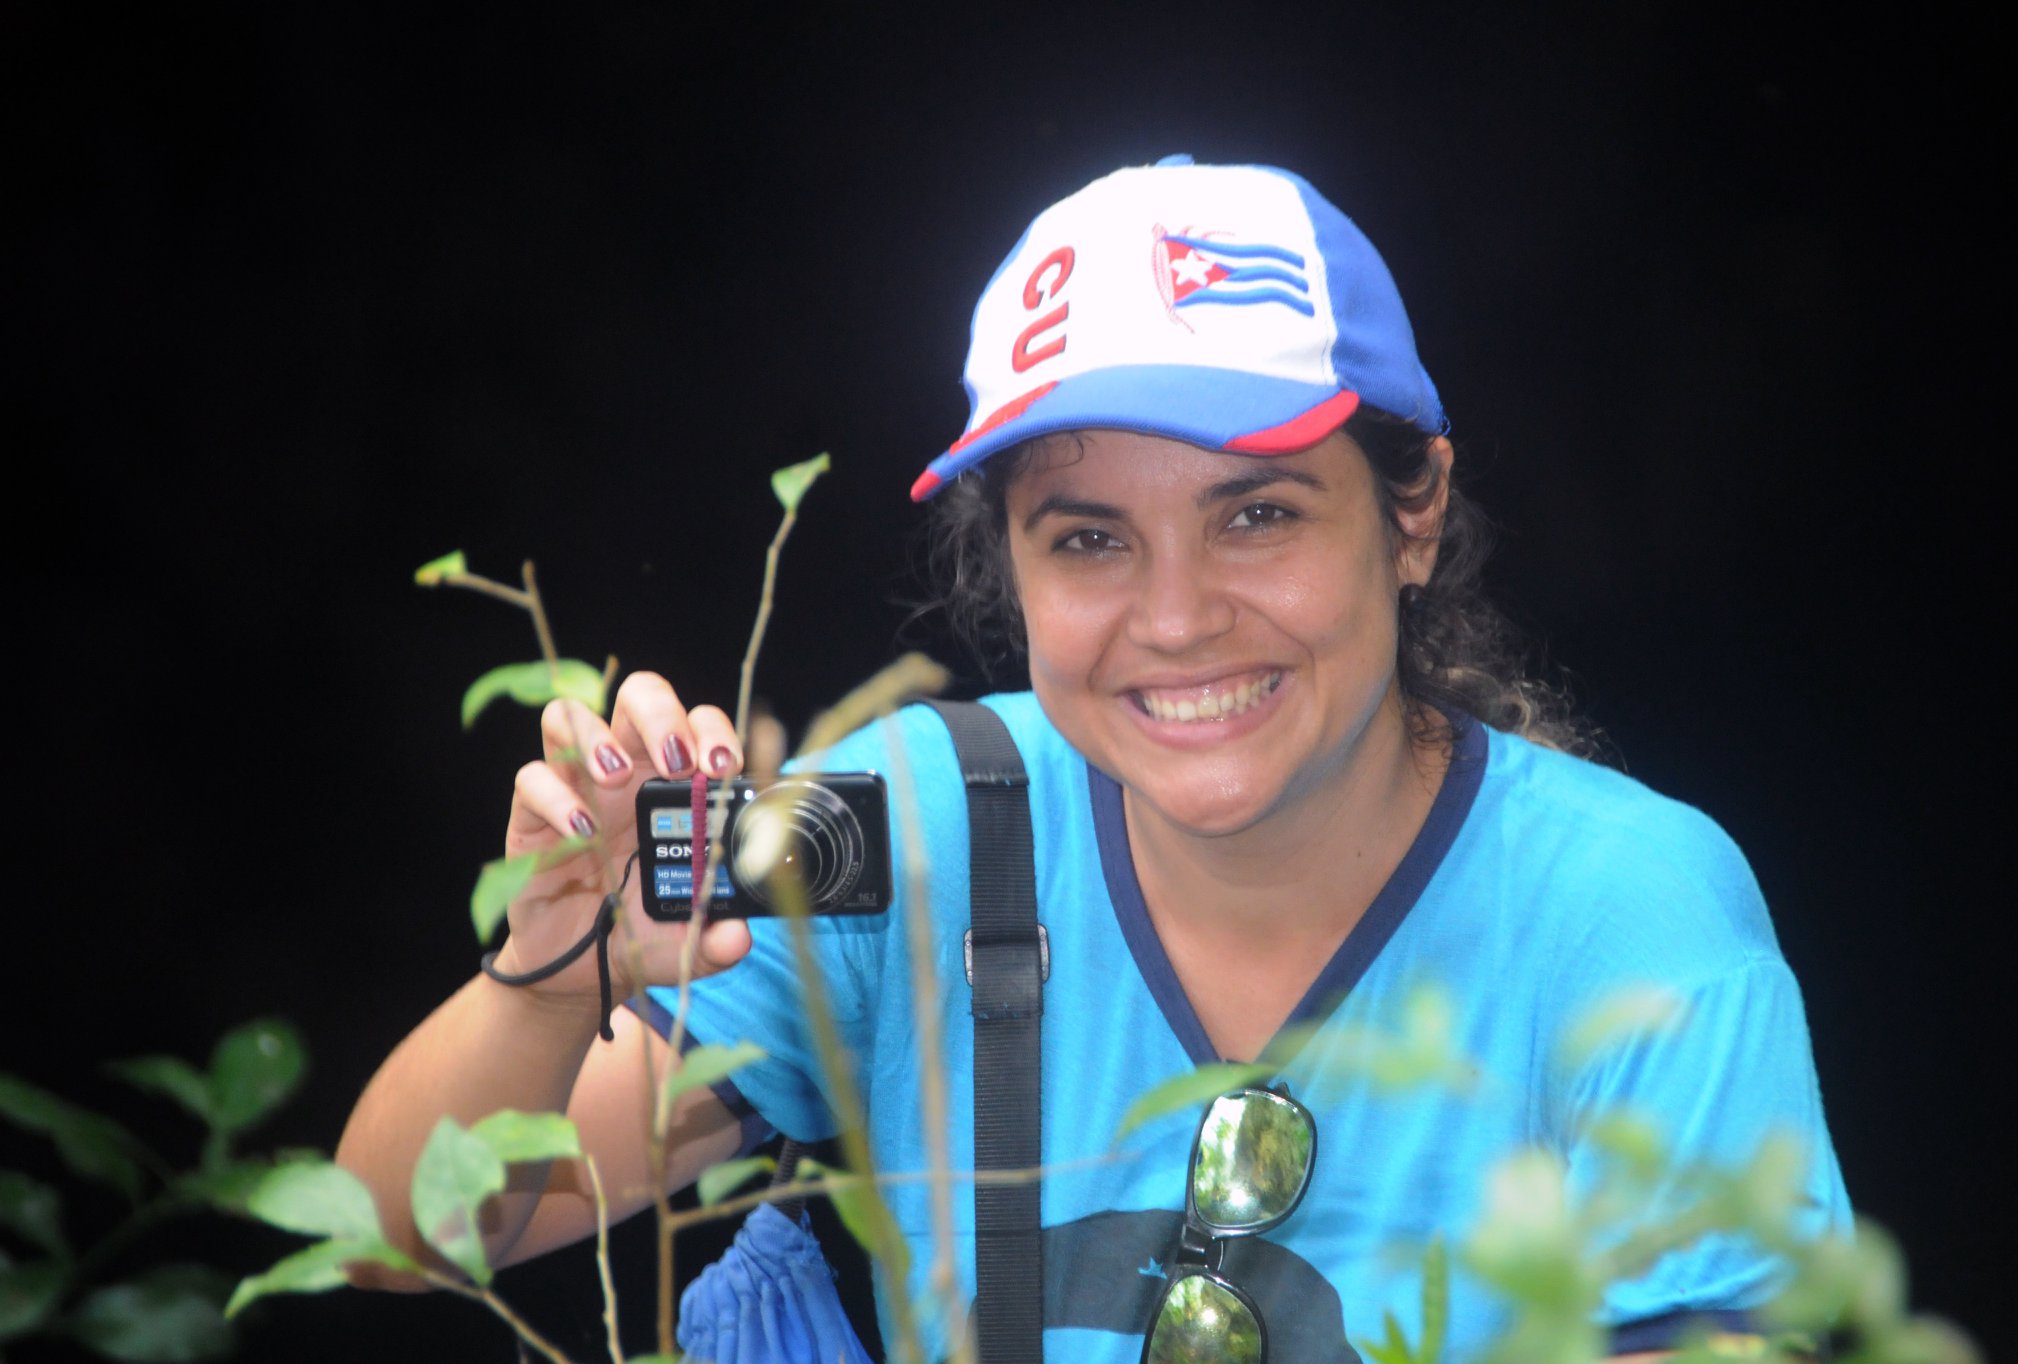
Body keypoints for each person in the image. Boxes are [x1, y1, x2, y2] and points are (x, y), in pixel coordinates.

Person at [338, 156, 1850, 1362]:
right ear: (1005, 562)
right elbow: (393, 1237)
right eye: (1087, 539)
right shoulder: (911, 824)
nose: (1177, 618)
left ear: (1412, 514)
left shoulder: (1625, 914)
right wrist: (553, 968)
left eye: (1257, 514)